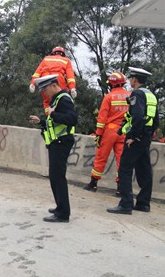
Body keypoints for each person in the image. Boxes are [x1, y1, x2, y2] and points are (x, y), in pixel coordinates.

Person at [108, 67, 159, 215]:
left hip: (136, 138)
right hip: (146, 137)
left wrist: (132, 136)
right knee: (144, 170)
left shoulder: (137, 93)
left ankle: (125, 204)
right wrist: (147, 135)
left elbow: (137, 116)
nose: (130, 81)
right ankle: (143, 204)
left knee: (124, 168)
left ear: (135, 80)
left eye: (131, 78)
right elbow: (155, 119)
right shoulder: (151, 95)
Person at [28, 74, 77, 223]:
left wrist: (53, 113)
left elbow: (72, 119)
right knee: (54, 177)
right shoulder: (56, 99)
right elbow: (53, 122)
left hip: (62, 142)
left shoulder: (64, 99)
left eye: (45, 89)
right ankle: (59, 207)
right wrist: (41, 121)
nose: (44, 92)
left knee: (58, 177)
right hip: (56, 142)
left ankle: (63, 213)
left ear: (54, 85)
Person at [85, 72, 131, 193]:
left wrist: (98, 134)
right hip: (124, 131)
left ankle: (93, 183)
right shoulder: (130, 95)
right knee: (121, 160)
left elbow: (102, 119)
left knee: (101, 157)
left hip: (109, 131)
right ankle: (120, 188)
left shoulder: (109, 97)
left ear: (111, 84)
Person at [30, 46, 77, 114]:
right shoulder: (66, 60)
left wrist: (32, 83)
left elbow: (37, 73)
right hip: (58, 80)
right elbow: (70, 76)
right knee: (61, 100)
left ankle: (49, 116)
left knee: (46, 102)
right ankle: (59, 116)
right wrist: (72, 88)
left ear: (53, 53)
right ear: (62, 54)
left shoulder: (46, 59)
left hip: (44, 81)